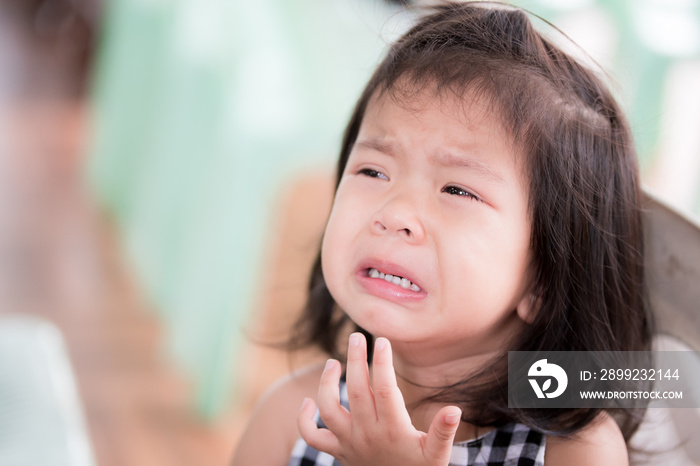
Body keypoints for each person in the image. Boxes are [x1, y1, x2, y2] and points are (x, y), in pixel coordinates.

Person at [232, 2, 652, 465]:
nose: (394, 214)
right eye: (373, 171)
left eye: (456, 189)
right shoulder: (295, 413)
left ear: (544, 281)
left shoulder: (574, 452)